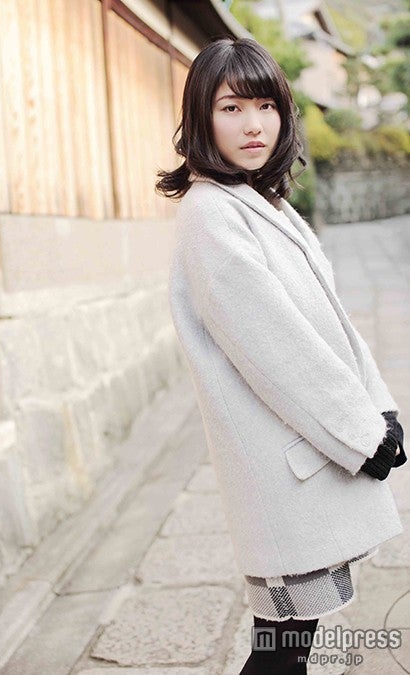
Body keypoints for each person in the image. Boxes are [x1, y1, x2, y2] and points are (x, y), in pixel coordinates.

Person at [156, 36, 407, 674]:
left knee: (287, 645)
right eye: (232, 108)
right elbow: (279, 351)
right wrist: (362, 435)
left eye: (265, 106)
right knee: (281, 652)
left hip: (303, 461)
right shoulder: (211, 215)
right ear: (201, 117)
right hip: (284, 469)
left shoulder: (262, 203)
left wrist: (381, 409)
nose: (253, 125)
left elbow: (330, 324)